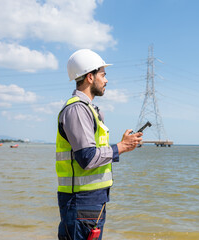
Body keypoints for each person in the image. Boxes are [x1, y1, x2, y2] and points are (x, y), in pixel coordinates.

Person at [56, 49, 143, 240]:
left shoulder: (89, 109)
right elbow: (87, 158)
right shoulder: (77, 109)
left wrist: (124, 145)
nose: (106, 80)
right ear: (89, 77)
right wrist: (121, 147)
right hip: (81, 203)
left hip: (91, 202)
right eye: (103, 75)